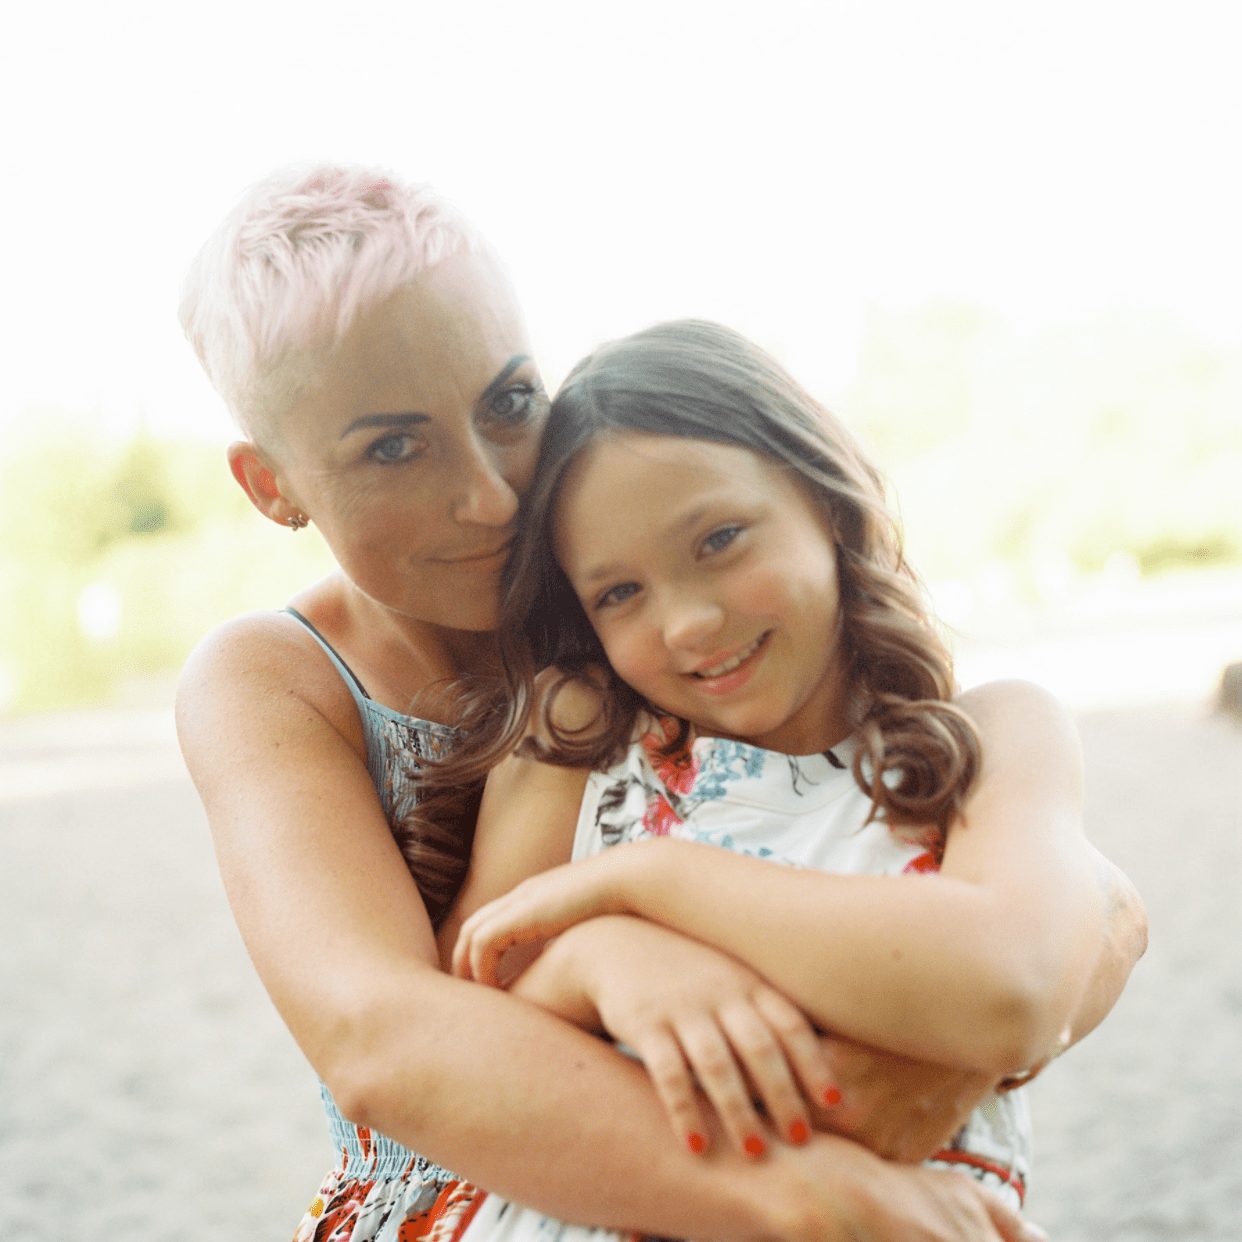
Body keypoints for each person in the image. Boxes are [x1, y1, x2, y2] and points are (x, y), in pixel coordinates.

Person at [176, 163, 1144, 1242]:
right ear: (274, 487)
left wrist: (958, 1050)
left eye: (507, 402)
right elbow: (385, 1036)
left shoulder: (641, 605)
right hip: (507, 1184)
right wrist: (790, 1185)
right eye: (393, 446)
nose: (493, 494)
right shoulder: (281, 678)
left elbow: (1040, 889)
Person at [432, 318, 1145, 1232]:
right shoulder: (582, 743)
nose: (687, 623)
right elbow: (459, 1043)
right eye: (619, 592)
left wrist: (650, 879)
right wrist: (598, 955)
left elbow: (1015, 990)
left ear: (826, 501)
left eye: (720, 538)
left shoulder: (993, 740)